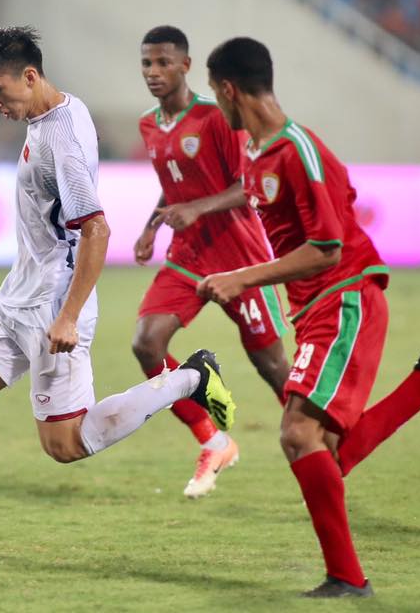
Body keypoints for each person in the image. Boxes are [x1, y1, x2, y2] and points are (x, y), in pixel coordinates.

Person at [0, 26, 237, 545]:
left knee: (64, 444)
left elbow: (97, 229)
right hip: (17, 294)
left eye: (0, 93)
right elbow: (24, 104)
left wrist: (68, 316)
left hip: (53, 305)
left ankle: (188, 379)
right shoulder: (54, 106)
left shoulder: (61, 142)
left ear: (31, 77)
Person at [198, 37, 420, 597]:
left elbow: (328, 246)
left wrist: (242, 278)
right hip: (313, 306)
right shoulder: (256, 152)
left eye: (215, 93)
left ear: (229, 89)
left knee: (297, 433)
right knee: (321, 450)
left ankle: (347, 578)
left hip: (346, 295)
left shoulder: (300, 150)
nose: (217, 104)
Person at [133, 25, 291, 498]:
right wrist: (151, 227)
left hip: (239, 260)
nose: (154, 72)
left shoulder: (216, 118)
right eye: (146, 63)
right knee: (147, 344)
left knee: (272, 366)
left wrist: (197, 208)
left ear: (185, 65)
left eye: (163, 62)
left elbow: (249, 185)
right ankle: (213, 441)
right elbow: (175, 184)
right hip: (188, 256)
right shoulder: (149, 125)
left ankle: (322, 446)